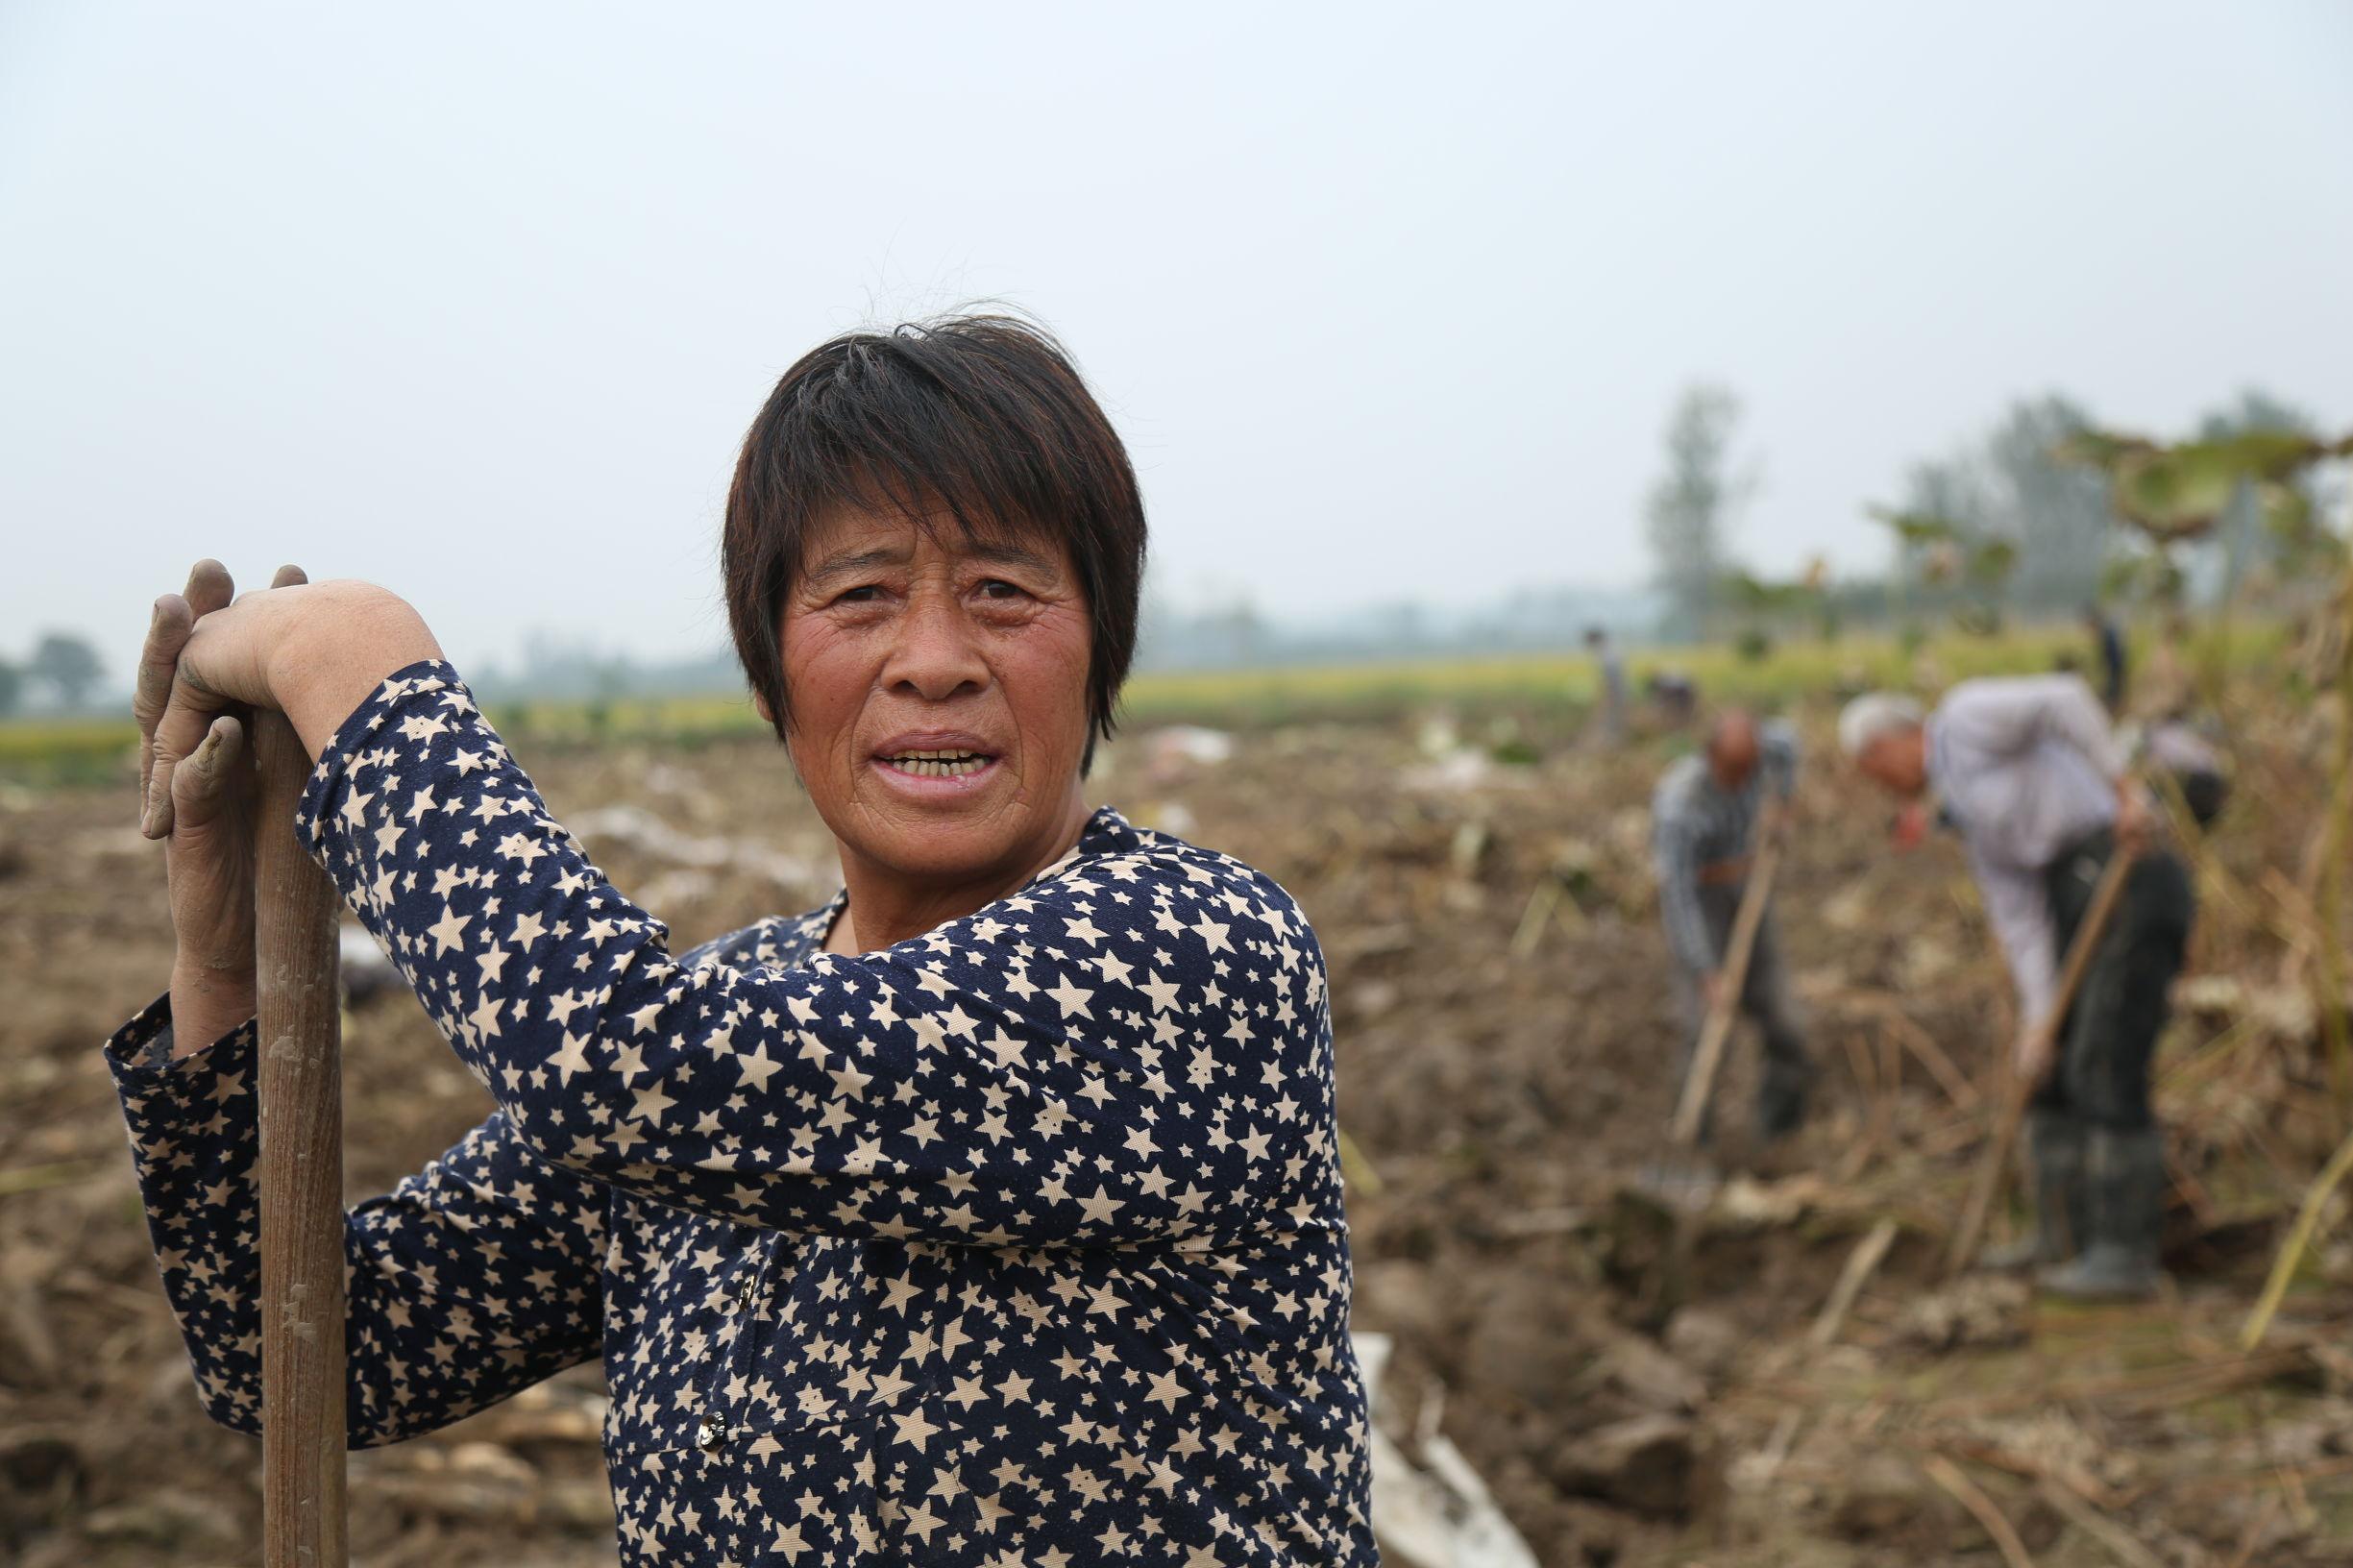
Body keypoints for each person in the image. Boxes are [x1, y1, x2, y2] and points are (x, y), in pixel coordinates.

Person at [111, 316, 1374, 1566]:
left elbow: (618, 1066)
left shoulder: (1194, 960)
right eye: (862, 595)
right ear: (768, 665)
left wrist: (351, 656)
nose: (933, 661)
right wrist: (221, 959)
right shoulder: (739, 1004)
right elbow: (307, 1355)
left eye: (1003, 590)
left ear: (1101, 641)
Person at [1840, 676, 2194, 1299]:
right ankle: (2060, 1235)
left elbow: (2065, 699)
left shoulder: (1966, 719)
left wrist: (2124, 788)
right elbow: (2021, 922)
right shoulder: (1966, 818)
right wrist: (2037, 1022)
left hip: (2126, 873)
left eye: (1872, 771)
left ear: (1889, 744)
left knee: (2105, 1062)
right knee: (2051, 1072)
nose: (1879, 787)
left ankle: (2123, 1256)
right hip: (2068, 899)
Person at [1650, 709, 1813, 1144]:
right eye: (1735, 770)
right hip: (1705, 906)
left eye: (1750, 769)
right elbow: (1678, 898)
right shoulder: (1681, 804)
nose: (1745, 779)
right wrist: (1705, 969)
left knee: (1783, 1019)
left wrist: (1784, 803)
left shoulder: (1769, 751)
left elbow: (1789, 747)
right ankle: (1694, 1136)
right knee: (1705, 1028)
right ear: (1710, 756)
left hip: (1750, 892)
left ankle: (1781, 1127)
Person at [2082, 601, 2127, 713]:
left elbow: (2110, 658)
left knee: (2110, 699)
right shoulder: (2108, 631)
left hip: (2115, 672)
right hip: (2116, 671)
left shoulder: (2106, 634)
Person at [1586, 625, 1629, 741]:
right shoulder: (1610, 650)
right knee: (1614, 720)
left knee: (1613, 721)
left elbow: (1611, 682)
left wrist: (1605, 698)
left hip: (1615, 695)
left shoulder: (1607, 655)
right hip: (1617, 694)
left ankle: (1613, 742)